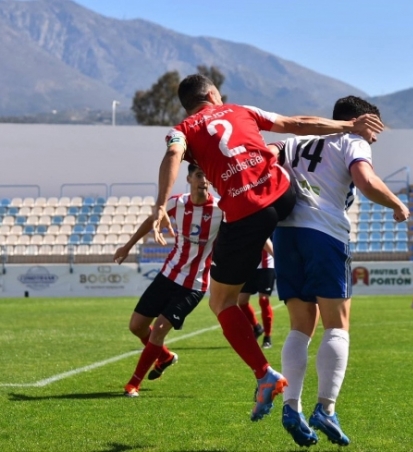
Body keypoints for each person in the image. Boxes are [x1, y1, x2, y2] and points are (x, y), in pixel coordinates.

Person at [150, 74, 384, 421]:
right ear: (214, 94)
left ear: (187, 104)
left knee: (221, 301)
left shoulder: (181, 129)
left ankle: (264, 375)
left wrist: (159, 204)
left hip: (246, 213)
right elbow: (297, 123)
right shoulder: (240, 109)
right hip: (284, 195)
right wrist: (348, 126)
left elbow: (173, 152)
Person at [269, 95, 410, 447]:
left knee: (300, 327)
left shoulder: (296, 141)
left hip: (285, 235)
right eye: (375, 127)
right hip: (325, 233)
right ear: (361, 120)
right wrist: (396, 203)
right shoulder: (354, 140)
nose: (376, 137)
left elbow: (266, 155)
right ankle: (325, 409)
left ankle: (290, 407)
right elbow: (364, 180)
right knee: (337, 325)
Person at [114, 164, 222, 397]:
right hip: (168, 275)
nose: (204, 180)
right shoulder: (176, 203)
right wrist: (128, 246)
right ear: (189, 178)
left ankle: (133, 383)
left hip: (193, 285)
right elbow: (152, 220)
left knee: (159, 329)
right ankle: (165, 356)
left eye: (207, 176)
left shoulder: (221, 210)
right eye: (200, 175)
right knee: (136, 326)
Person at [238, 239, 276, 349]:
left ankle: (267, 337)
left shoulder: (264, 222)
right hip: (249, 266)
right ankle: (257, 327)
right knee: (242, 301)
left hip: (266, 265)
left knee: (264, 300)